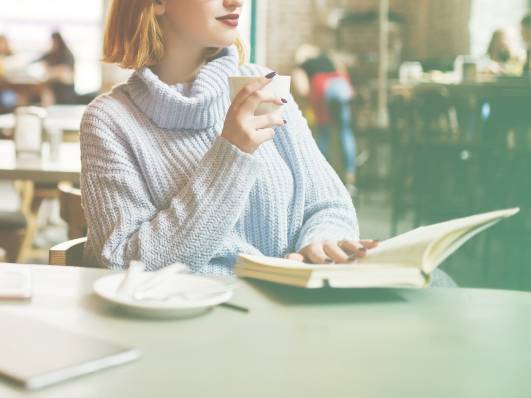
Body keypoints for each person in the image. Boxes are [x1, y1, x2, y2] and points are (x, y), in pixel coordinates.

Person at [81, 0, 454, 287]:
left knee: (436, 282)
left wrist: (323, 242)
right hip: (201, 332)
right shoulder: (110, 120)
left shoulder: (262, 83)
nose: (236, 0)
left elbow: (329, 203)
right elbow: (121, 266)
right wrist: (230, 155)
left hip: (298, 309)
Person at [292, 24, 357, 194]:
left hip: (322, 86)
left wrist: (308, 100)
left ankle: (320, 177)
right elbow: (343, 71)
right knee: (345, 131)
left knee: (324, 133)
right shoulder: (328, 58)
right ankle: (351, 175)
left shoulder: (303, 65)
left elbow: (302, 88)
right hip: (341, 85)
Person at [36, 32, 76, 104]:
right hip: (52, 86)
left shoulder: (67, 54)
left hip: (65, 88)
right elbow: (38, 59)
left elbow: (65, 71)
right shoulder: (52, 53)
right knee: (45, 92)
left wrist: (51, 70)